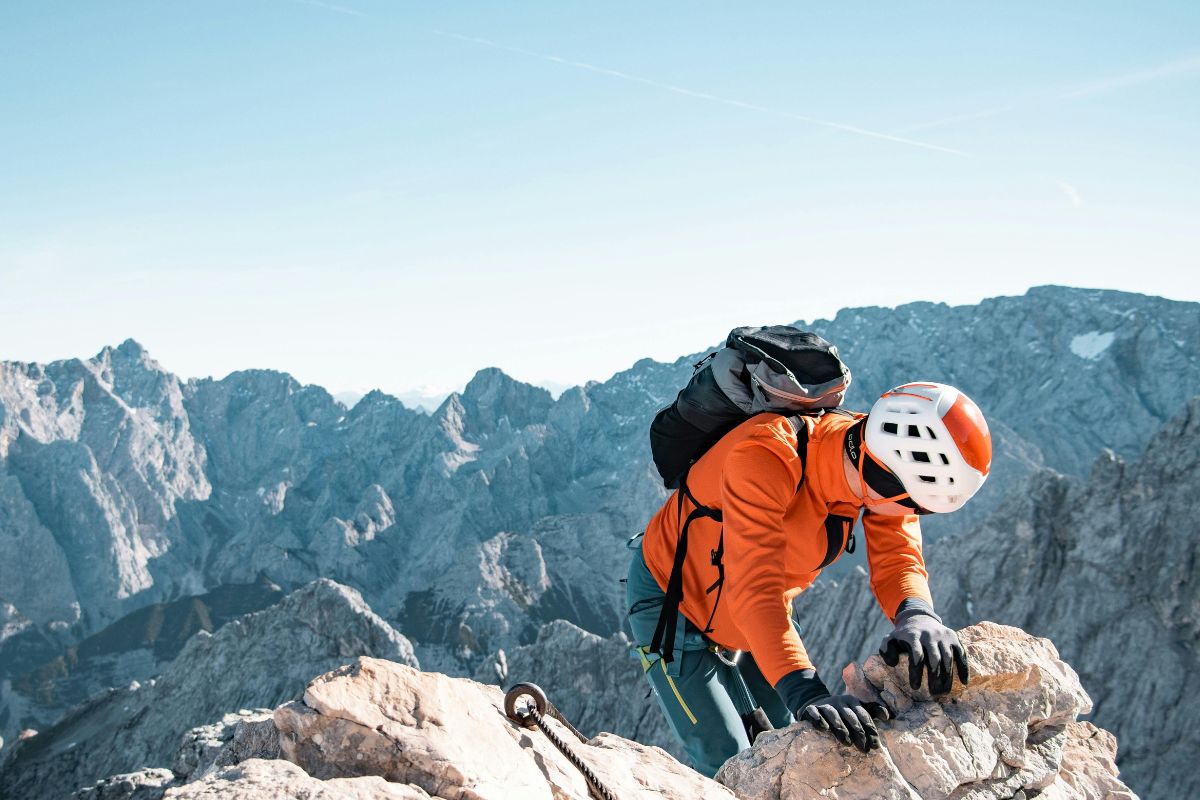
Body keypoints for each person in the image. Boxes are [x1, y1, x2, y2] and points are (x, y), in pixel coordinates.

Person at [625, 381, 991, 777]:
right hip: (673, 603)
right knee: (724, 758)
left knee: (793, 735)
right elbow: (753, 591)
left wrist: (916, 613)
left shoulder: (877, 455)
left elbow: (898, 557)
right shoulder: (765, 455)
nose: (914, 513)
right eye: (918, 505)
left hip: (762, 613)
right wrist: (806, 691)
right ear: (891, 480)